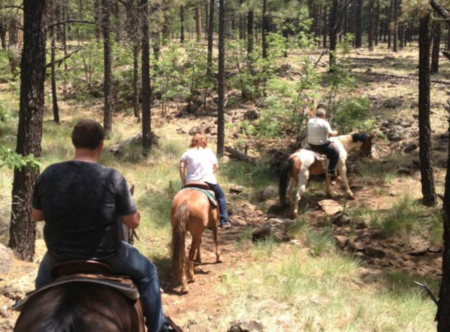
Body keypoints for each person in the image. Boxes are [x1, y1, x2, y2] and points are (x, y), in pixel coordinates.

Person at [32, 119, 170, 332]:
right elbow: (132, 222)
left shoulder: (49, 173)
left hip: (58, 256)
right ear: (100, 145)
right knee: (149, 273)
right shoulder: (111, 177)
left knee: (40, 293)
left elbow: (36, 216)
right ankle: (158, 328)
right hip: (108, 255)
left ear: (74, 143)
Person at [179, 133, 232, 229]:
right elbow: (216, 167)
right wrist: (210, 173)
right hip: (208, 181)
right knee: (220, 196)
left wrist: (183, 182)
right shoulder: (209, 152)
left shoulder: (187, 153)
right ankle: (224, 221)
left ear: (193, 141)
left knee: (179, 198)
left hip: (190, 182)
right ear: (204, 142)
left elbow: (181, 167)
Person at [307, 108, 339, 176]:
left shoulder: (310, 121)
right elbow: (331, 134)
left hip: (311, 143)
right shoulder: (324, 122)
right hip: (321, 145)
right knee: (336, 153)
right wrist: (336, 132)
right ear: (323, 115)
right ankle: (331, 170)